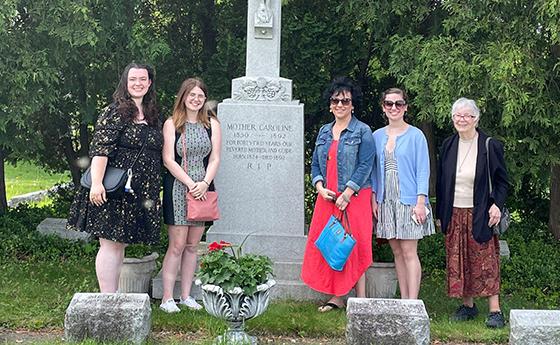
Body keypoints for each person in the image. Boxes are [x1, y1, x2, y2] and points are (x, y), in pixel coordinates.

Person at [67, 62, 163, 293]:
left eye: (142, 79)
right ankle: (107, 298)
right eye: (133, 79)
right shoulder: (114, 111)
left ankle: (114, 295)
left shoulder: (153, 115)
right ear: (125, 83)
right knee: (109, 245)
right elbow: (101, 149)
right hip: (112, 188)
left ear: (149, 83)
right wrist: (97, 183)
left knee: (120, 245)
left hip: (135, 190)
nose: (138, 83)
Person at [301, 77, 374, 312]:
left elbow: (366, 165)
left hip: (355, 197)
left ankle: (360, 299)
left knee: (356, 245)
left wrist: (348, 192)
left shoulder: (363, 131)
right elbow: (314, 166)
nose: (340, 104)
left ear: (353, 104)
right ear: (330, 104)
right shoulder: (323, 131)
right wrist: (320, 187)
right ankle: (336, 297)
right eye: (336, 100)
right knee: (331, 245)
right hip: (328, 197)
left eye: (345, 100)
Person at [436, 97, 508, 328]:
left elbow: (502, 182)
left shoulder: (489, 145)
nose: (462, 119)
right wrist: (440, 213)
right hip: (453, 212)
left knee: (486, 261)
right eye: (458, 115)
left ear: (476, 119)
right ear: (453, 118)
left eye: (467, 115)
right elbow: (441, 181)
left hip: (481, 212)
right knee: (459, 259)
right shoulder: (448, 144)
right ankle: (468, 306)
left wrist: (496, 204)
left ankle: (495, 311)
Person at [159, 78, 221, 313]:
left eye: (200, 96)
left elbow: (215, 158)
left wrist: (204, 183)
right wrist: (190, 183)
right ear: (183, 97)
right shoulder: (171, 124)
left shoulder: (212, 124)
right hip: (178, 188)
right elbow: (168, 159)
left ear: (205, 99)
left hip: (203, 190)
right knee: (176, 245)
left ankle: (186, 296)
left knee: (193, 246)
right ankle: (167, 298)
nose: (196, 99)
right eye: (192, 95)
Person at [370, 87, 435, 300]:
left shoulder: (416, 136)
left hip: (409, 200)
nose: (394, 108)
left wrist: (420, 201)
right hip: (386, 200)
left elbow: (423, 170)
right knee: (397, 252)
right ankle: (403, 299)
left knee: (409, 252)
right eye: (389, 103)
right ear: (383, 107)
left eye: (398, 104)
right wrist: (374, 198)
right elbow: (374, 171)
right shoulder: (377, 136)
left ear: (405, 107)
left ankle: (413, 301)